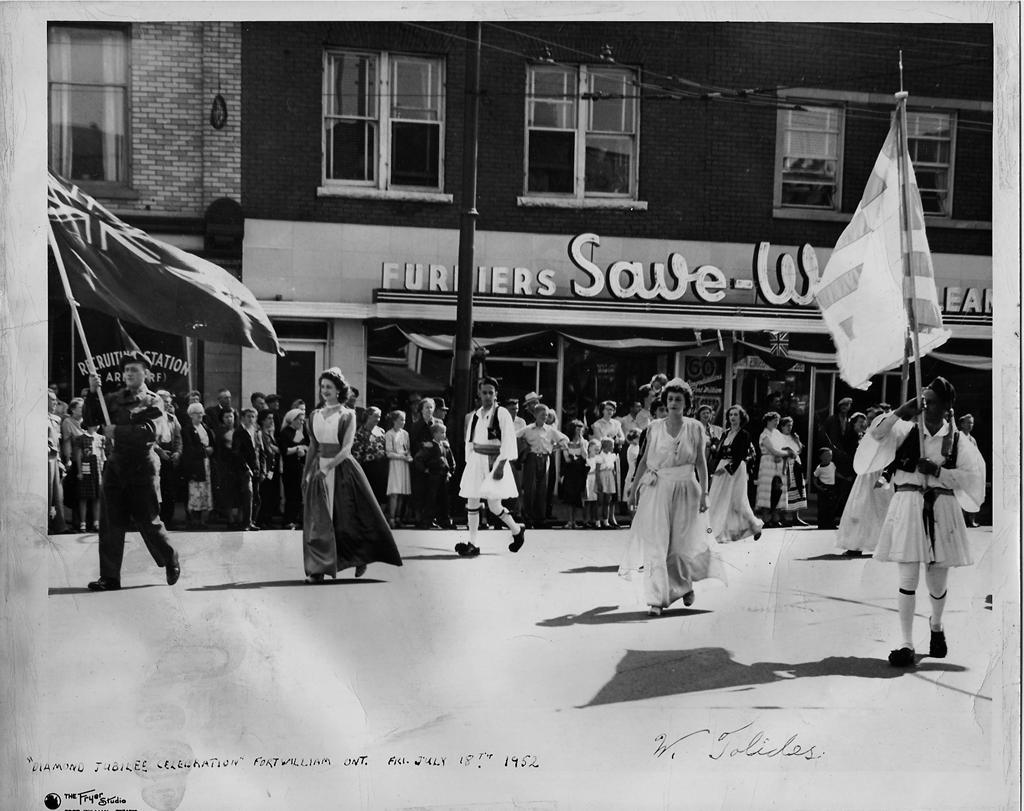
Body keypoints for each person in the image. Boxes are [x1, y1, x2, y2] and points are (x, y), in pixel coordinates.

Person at [855, 378, 985, 667]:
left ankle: (936, 626)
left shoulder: (958, 441)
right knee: (907, 578)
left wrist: (938, 471)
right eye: (924, 400)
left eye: (934, 401)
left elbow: (972, 479)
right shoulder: (905, 430)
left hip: (943, 508)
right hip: (908, 504)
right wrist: (901, 410)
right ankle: (906, 643)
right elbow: (875, 435)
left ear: (948, 405)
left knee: (937, 580)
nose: (927, 407)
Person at [620, 379, 723, 616]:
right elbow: (645, 460)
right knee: (657, 544)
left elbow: (700, 462)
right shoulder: (654, 427)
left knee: (681, 545)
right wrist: (634, 488)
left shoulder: (695, 427)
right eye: (670, 399)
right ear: (665, 403)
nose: (674, 403)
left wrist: (705, 494)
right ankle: (656, 599)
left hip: (687, 488)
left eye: (678, 399)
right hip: (658, 489)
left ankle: (684, 585)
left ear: (687, 403)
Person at [83, 352, 180, 591]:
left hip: (141, 467)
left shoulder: (153, 401)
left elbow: (149, 432)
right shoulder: (114, 398)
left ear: (146, 373)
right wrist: (93, 394)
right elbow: (91, 420)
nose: (128, 374)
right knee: (110, 523)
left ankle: (170, 557)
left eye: (134, 370)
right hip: (116, 466)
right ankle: (110, 577)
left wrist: (116, 431)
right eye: (126, 370)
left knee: (148, 521)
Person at [301, 367, 402, 582]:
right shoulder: (314, 415)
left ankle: (359, 557)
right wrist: (307, 472)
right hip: (318, 468)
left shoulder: (347, 415)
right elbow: (312, 445)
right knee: (318, 520)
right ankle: (317, 569)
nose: (325, 390)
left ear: (339, 390)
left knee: (346, 519)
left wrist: (327, 468)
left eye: (329, 387)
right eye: (322, 387)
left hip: (341, 468)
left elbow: (346, 449)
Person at [455, 376, 527, 557]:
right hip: (476, 460)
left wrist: (501, 465)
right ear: (479, 393)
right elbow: (469, 440)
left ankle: (517, 530)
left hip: (494, 460)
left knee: (494, 505)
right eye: (484, 392)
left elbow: (509, 441)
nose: (487, 396)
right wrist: (469, 461)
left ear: (496, 394)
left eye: (490, 393)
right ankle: (472, 543)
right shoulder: (475, 415)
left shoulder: (501, 413)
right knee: (472, 500)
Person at [837, 405, 894, 556]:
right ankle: (856, 544)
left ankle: (884, 545)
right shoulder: (869, 434)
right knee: (861, 508)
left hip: (877, 472)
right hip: (866, 474)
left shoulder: (886, 435)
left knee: (880, 509)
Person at [708, 404, 764, 543]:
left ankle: (755, 525)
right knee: (716, 499)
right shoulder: (725, 433)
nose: (733, 417)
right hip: (722, 467)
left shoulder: (744, 434)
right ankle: (715, 531)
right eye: (731, 415)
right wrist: (715, 470)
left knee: (738, 501)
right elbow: (719, 453)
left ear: (741, 418)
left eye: (736, 415)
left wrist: (726, 468)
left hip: (735, 468)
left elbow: (740, 455)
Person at [518, 403, 566, 529]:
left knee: (542, 489)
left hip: (545, 458)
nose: (544, 417)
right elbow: (515, 437)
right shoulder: (528, 429)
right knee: (530, 488)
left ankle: (540, 518)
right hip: (531, 458)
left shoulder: (550, 430)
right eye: (541, 415)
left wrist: (553, 448)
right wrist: (524, 447)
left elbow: (564, 439)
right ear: (535, 415)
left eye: (546, 415)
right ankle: (528, 517)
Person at [413, 421, 455, 529]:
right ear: (435, 433)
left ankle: (444, 520)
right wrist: (425, 469)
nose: (444, 435)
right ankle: (427, 520)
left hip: (444, 476)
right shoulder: (429, 446)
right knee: (431, 498)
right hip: (433, 475)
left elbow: (451, 459)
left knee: (444, 499)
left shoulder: (445, 446)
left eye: (444, 433)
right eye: (441, 433)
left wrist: (451, 470)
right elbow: (418, 459)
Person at [180, 402, 214, 529]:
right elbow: (189, 449)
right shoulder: (187, 429)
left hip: (205, 463)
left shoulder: (204, 427)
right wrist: (205, 451)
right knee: (195, 491)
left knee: (204, 491)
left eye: (201, 412)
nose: (200, 415)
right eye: (196, 413)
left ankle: (201, 520)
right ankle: (194, 520)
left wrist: (211, 449)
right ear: (191, 415)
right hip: (195, 465)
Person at [154, 389, 183, 529]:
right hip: (155, 457)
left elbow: (178, 438)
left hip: (170, 457)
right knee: (155, 490)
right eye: (163, 401)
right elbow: (148, 439)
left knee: (169, 490)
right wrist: (159, 451)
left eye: (168, 402)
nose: (166, 404)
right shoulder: (151, 418)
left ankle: (168, 520)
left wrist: (177, 452)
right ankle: (155, 520)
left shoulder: (173, 418)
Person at [72, 419, 106, 533]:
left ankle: (96, 522)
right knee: (84, 497)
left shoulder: (101, 438)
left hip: (97, 468)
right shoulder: (81, 438)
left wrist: (102, 470)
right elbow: (78, 456)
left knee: (97, 496)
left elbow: (102, 455)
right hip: (86, 467)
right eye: (94, 422)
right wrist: (80, 471)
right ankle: (83, 523)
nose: (96, 425)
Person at [755, 411, 788, 527]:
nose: (777, 423)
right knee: (767, 490)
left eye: (778, 421)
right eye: (775, 421)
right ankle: (766, 518)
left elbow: (784, 446)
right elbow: (773, 450)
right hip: (768, 463)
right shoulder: (764, 435)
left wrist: (783, 453)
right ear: (768, 421)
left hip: (779, 464)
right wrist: (786, 453)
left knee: (778, 490)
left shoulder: (778, 433)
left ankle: (775, 517)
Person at [278, 408, 309, 530]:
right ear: (292, 420)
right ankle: (288, 520)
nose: (302, 422)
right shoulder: (285, 433)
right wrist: (298, 448)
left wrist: (303, 448)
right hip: (289, 469)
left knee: (298, 496)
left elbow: (306, 446)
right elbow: (285, 450)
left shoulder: (300, 433)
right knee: (291, 496)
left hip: (299, 467)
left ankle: (296, 519)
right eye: (300, 420)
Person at [353, 406, 389, 508]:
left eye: (379, 416)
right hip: (368, 467)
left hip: (381, 466)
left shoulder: (381, 431)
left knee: (381, 493)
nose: (378, 419)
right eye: (375, 416)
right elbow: (357, 454)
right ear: (368, 416)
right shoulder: (360, 433)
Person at [777, 416, 808, 526]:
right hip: (785, 464)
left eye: (791, 425)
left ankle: (796, 517)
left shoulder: (793, 437)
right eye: (787, 425)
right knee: (785, 490)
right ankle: (782, 517)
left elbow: (799, 450)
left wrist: (797, 440)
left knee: (797, 488)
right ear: (782, 426)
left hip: (795, 464)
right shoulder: (779, 437)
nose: (789, 428)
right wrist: (788, 450)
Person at [385, 409, 413, 528]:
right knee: (394, 493)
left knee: (402, 493)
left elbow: (408, 449)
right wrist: (402, 457)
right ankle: (391, 518)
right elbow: (388, 453)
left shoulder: (405, 433)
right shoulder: (389, 434)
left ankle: (398, 518)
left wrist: (409, 456)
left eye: (404, 419)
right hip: (395, 465)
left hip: (404, 465)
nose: (403, 422)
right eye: (401, 419)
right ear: (394, 420)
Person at [559, 420, 587, 529]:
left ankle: (574, 521)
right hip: (569, 472)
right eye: (577, 428)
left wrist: (582, 442)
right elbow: (567, 459)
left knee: (577, 497)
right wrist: (574, 457)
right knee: (569, 497)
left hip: (580, 472)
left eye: (581, 428)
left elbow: (585, 456)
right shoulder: (566, 443)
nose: (579, 430)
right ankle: (569, 521)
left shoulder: (584, 442)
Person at [48, 390, 68, 534]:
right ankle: (45, 524)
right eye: (51, 400)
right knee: (47, 492)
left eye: (55, 400)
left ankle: (59, 525)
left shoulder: (56, 419)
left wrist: (60, 460)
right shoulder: (36, 418)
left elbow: (58, 442)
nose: (55, 403)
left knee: (57, 493)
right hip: (44, 458)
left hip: (54, 458)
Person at [256, 409, 281, 528]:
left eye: (272, 418)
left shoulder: (270, 434)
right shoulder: (261, 433)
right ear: (262, 420)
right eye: (269, 418)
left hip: (272, 468)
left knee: (270, 495)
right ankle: (261, 520)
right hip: (265, 469)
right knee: (264, 495)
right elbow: (268, 450)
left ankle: (267, 518)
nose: (271, 421)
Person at [957, 414, 980, 526]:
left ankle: (971, 520)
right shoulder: (958, 436)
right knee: (961, 496)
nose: (971, 425)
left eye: (972, 423)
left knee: (971, 495)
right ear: (962, 424)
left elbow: (976, 455)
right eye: (968, 422)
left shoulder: (973, 439)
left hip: (971, 471)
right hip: (961, 469)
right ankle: (961, 520)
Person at [595, 436, 621, 528]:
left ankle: (606, 522)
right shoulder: (599, 457)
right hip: (602, 477)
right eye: (611, 445)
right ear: (605, 446)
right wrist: (599, 483)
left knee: (607, 501)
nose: (613, 447)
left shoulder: (612, 456)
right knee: (600, 501)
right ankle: (598, 522)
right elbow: (597, 471)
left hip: (610, 477)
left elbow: (613, 469)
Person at [812, 448, 839, 530]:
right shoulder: (819, 468)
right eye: (826, 455)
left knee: (831, 507)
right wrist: (818, 487)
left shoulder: (832, 464)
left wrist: (845, 478)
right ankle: (821, 524)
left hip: (832, 487)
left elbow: (835, 473)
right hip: (823, 488)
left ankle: (831, 524)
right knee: (822, 507)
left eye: (830, 455)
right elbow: (814, 478)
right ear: (821, 457)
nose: (829, 457)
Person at [582, 437, 601, 528]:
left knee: (595, 502)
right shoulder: (586, 459)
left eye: (598, 449)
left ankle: (594, 520)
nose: (597, 451)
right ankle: (585, 520)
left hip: (595, 480)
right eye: (595, 449)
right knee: (587, 502)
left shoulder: (598, 459)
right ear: (589, 448)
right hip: (588, 480)